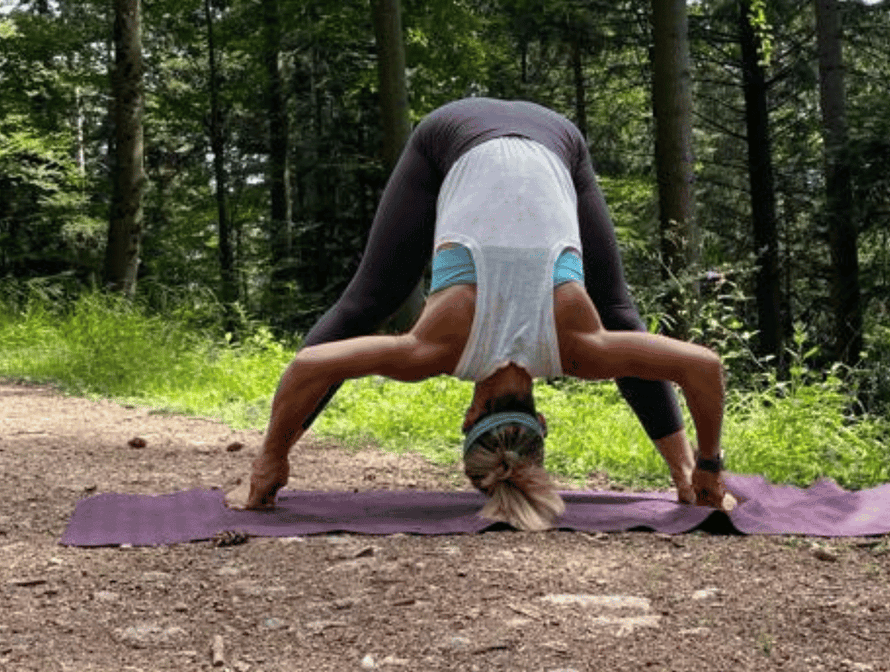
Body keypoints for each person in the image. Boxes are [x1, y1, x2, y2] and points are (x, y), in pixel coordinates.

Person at [226, 98, 734, 526]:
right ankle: (683, 473)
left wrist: (711, 465)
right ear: (469, 416)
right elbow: (311, 364)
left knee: (617, 315)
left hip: (555, 138)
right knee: (364, 307)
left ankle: (688, 476)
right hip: (456, 135)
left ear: (540, 420)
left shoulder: (582, 348)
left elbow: (703, 366)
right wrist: (274, 454)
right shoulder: (434, 350)